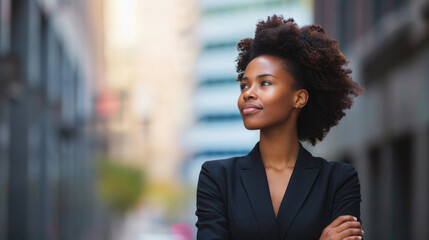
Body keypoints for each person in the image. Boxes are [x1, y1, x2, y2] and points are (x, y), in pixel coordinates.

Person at [195, 15, 365, 240]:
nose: (248, 93)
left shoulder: (338, 180)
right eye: (244, 85)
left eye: (264, 83)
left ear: (299, 98)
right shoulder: (217, 178)